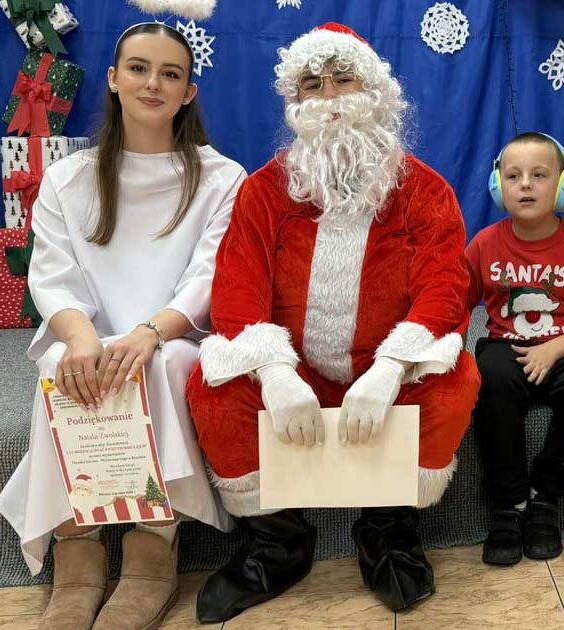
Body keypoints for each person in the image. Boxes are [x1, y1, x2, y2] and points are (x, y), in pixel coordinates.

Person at [185, 23, 480, 621]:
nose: (328, 98)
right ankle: (277, 542)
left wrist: (391, 369)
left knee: (456, 381)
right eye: (312, 85)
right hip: (294, 372)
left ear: (375, 92)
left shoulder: (425, 192)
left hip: (385, 373)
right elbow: (236, 285)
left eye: (343, 80)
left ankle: (388, 530)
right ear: (295, 103)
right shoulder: (265, 190)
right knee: (209, 389)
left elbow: (445, 288)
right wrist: (273, 373)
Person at [0, 22, 245, 629]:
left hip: (174, 337)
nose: (152, 83)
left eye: (170, 73)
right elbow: (52, 274)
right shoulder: (68, 177)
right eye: (138, 68)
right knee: (60, 364)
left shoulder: (221, 177)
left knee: (155, 366)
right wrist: (80, 336)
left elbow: (210, 275)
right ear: (113, 79)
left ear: (188, 92)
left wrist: (151, 332)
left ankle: (151, 549)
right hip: (90, 332)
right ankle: (75, 550)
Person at [465, 132, 564, 566]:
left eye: (539, 175)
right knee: (488, 372)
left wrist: (553, 350)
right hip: (508, 350)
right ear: (498, 186)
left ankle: (545, 495)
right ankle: (507, 506)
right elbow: (454, 306)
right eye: (513, 176)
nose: (526, 185)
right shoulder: (483, 245)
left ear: (563, 186)